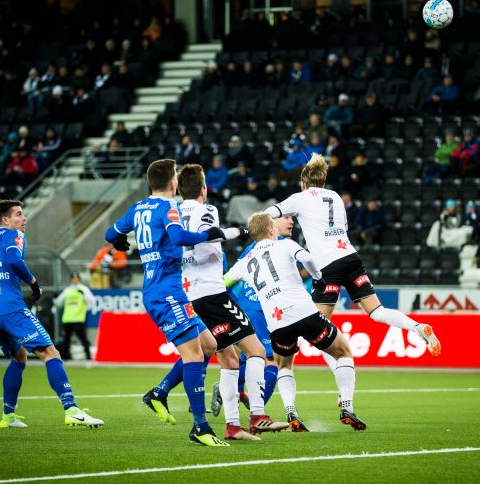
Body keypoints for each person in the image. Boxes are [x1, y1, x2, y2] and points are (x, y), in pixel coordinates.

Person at [103, 158, 243, 447]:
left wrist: (119, 242)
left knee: (209, 346)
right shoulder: (168, 207)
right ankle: (200, 428)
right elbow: (179, 237)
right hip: (166, 293)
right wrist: (210, 234)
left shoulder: (138, 207)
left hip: (165, 290)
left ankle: (159, 393)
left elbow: (110, 234)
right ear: (174, 183)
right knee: (194, 355)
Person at [145, 164, 285, 441]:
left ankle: (233, 427)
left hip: (188, 294)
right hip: (211, 293)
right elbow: (210, 235)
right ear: (203, 189)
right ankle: (258, 416)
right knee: (257, 352)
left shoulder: (170, 211)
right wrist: (234, 232)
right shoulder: (207, 210)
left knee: (229, 360)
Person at [264, 154, 441, 365]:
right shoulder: (336, 197)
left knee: (321, 329)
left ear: (304, 183)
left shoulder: (300, 198)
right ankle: (417, 327)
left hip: (328, 265)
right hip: (350, 257)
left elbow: (268, 213)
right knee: (377, 311)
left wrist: (260, 228)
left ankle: (342, 382)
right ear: (323, 180)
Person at [0, 199, 104, 429]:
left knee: (19, 357)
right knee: (51, 353)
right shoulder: (14, 236)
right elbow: (14, 259)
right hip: (11, 308)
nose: (24, 219)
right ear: (6, 220)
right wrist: (34, 284)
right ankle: (72, 409)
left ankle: (8, 416)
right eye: (19, 214)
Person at [224, 212, 367, 431]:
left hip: (278, 324)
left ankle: (290, 411)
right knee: (343, 352)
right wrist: (319, 278)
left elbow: (224, 282)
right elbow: (308, 259)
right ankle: (346, 406)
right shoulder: (285, 245)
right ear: (271, 230)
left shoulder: (246, 261)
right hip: (305, 314)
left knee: (283, 365)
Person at [224, 215, 296, 426]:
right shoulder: (283, 246)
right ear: (272, 226)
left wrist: (232, 302)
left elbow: (231, 277)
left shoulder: (253, 247)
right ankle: (256, 413)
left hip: (246, 307)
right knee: (271, 361)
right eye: (286, 218)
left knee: (249, 357)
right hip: (264, 310)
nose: (291, 222)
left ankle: (233, 389)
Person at [52, 272, 95, 361]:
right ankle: (65, 357)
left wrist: (84, 295)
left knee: (83, 339)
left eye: (76, 278)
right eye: (73, 278)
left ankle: (88, 356)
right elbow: (58, 303)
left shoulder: (83, 289)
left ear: (79, 279)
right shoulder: (67, 290)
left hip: (78, 319)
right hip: (68, 319)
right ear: (71, 280)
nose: (75, 280)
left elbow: (91, 300)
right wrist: (54, 298)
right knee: (66, 340)